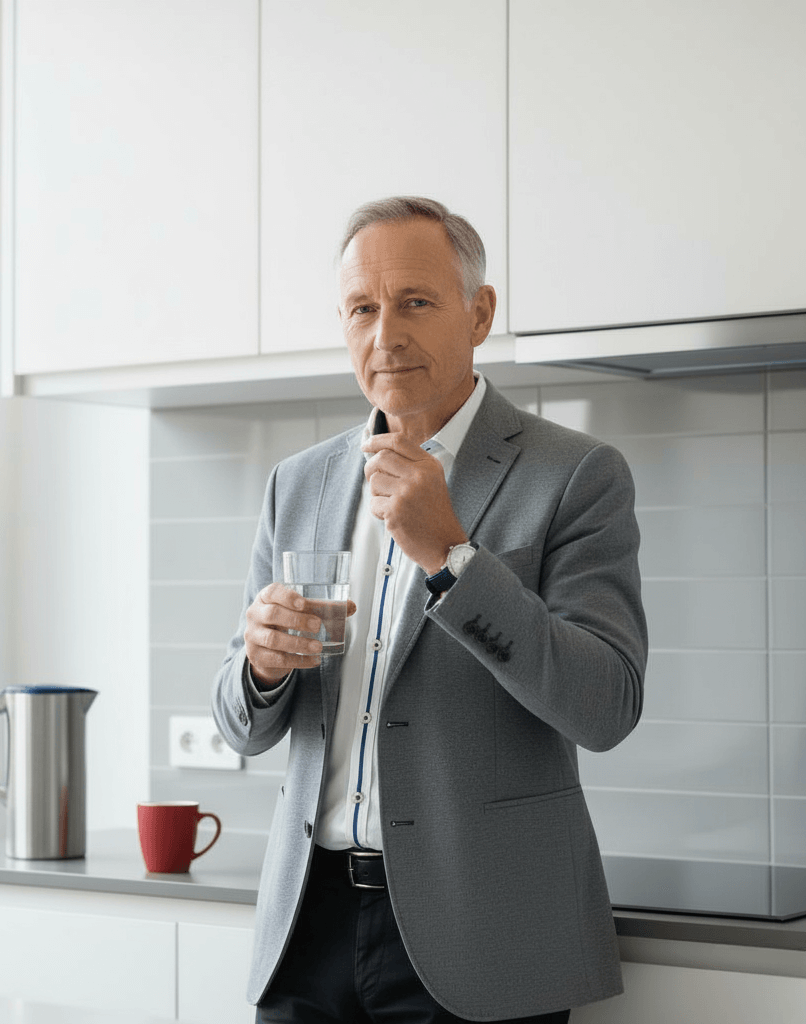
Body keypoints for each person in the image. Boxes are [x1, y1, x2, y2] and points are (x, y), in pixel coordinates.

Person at [211, 196, 648, 1023]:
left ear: (479, 314)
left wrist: (454, 557)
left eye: (416, 301)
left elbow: (606, 707)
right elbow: (242, 725)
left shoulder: (577, 475)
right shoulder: (297, 484)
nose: (386, 335)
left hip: (487, 939)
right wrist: (260, 667)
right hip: (305, 932)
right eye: (362, 309)